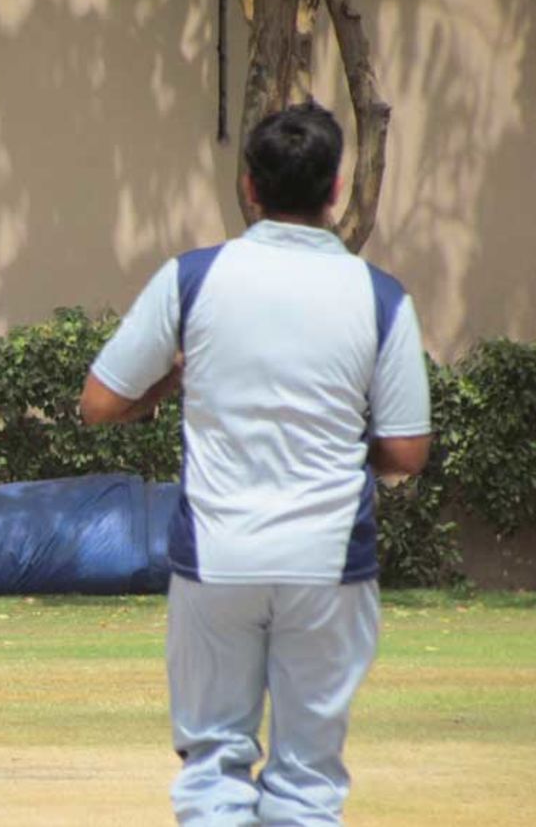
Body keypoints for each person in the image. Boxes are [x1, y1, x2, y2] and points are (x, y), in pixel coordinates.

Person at [80, 102, 432, 824]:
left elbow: (101, 402)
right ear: (336, 188)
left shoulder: (193, 277)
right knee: (307, 779)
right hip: (329, 562)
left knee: (213, 766)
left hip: (217, 557)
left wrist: (177, 384)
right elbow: (405, 451)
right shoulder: (381, 295)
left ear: (248, 186)